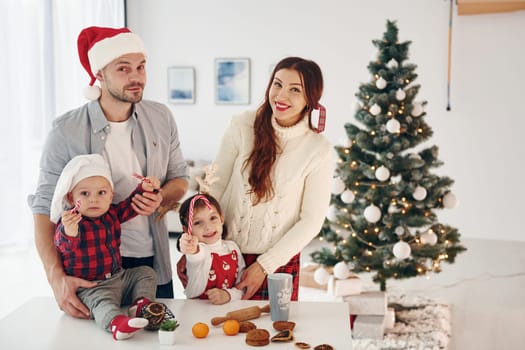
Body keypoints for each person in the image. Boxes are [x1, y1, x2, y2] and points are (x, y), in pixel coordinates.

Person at [27, 26, 189, 320]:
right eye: (124, 68)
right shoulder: (65, 130)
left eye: (141, 67)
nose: (136, 77)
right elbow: (42, 208)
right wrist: (55, 278)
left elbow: (180, 178)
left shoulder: (162, 118)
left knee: (157, 338)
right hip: (90, 272)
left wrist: (162, 196)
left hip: (152, 265)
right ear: (99, 73)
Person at [179, 56, 333, 301]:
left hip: (277, 262)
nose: (281, 96)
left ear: (310, 99)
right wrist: (194, 240)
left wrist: (264, 266)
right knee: (216, 330)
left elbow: (312, 221)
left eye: (295, 90)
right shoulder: (242, 125)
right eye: (277, 84)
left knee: (271, 333)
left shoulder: (318, 149)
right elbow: (214, 187)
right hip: (222, 250)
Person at [51, 154, 173, 340]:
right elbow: (63, 247)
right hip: (92, 287)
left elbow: (131, 206)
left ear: (111, 195)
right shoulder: (70, 222)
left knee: (146, 273)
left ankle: (140, 304)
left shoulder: (112, 214)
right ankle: (117, 324)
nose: (94, 200)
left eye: (101, 193)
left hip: (119, 277)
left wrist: (144, 188)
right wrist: (70, 230)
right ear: (70, 197)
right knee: (103, 305)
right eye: (84, 194)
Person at [178, 193, 246, 305]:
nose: (208, 227)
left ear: (222, 219)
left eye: (213, 218)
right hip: (197, 312)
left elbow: (241, 288)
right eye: (198, 222)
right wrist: (188, 246)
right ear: (186, 229)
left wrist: (228, 295)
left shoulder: (232, 248)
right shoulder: (198, 250)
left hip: (230, 310)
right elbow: (195, 256)